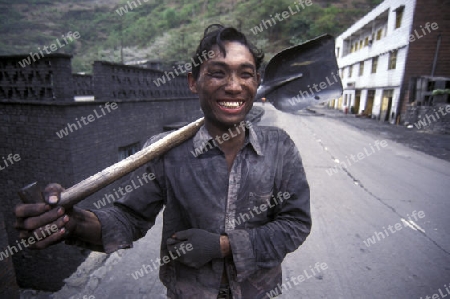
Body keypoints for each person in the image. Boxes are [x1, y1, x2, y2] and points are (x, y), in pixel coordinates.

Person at [14, 24, 311, 299]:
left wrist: (222, 246)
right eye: (218, 73)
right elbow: (128, 218)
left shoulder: (279, 147)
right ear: (194, 82)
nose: (234, 86)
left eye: (245, 73)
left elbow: (295, 225)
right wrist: (70, 222)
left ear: (257, 82)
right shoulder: (165, 152)